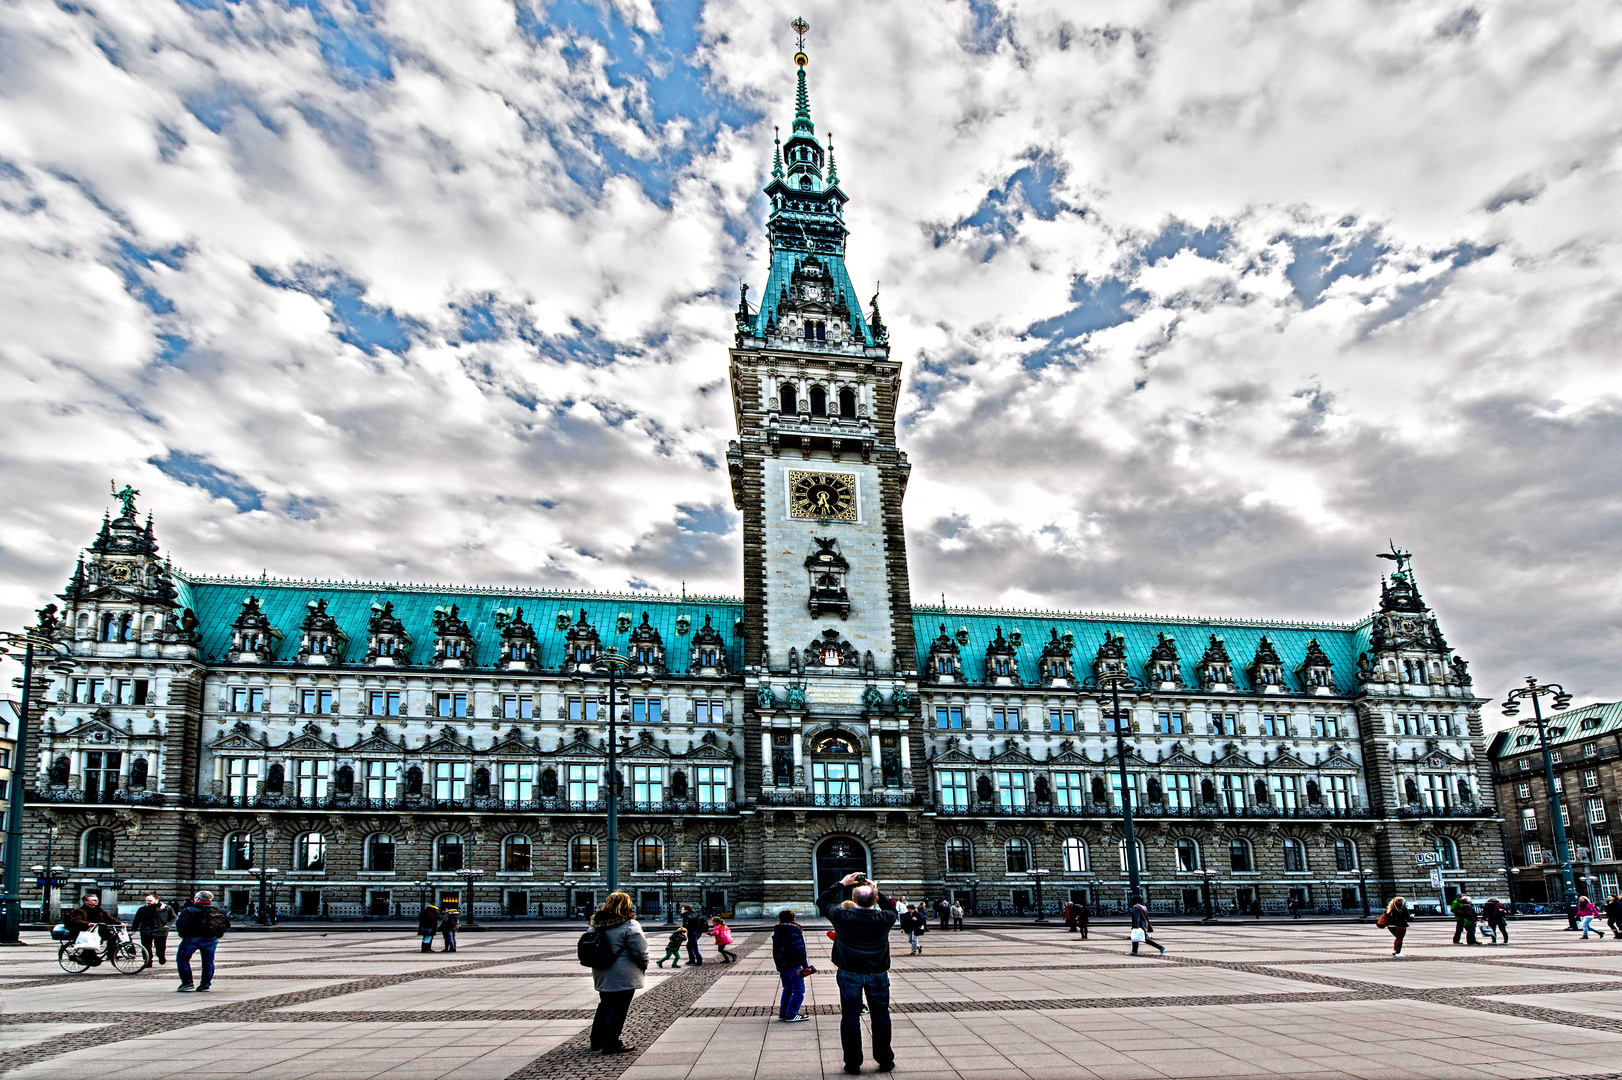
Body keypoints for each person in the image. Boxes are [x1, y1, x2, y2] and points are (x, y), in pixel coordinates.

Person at [818, 872, 899, 1075]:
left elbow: (823, 900)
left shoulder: (842, 916)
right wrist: (876, 888)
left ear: (852, 900)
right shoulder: (885, 918)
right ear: (875, 900)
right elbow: (891, 906)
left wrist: (841, 883)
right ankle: (885, 1059)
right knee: (881, 1017)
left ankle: (853, 1063)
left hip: (849, 974)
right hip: (877, 974)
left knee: (850, 1017)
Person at [588, 891, 648, 1054]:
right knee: (619, 1008)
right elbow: (639, 949)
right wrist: (644, 964)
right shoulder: (629, 924)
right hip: (623, 972)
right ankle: (611, 1043)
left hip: (602, 970)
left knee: (605, 1005)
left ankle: (596, 1041)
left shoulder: (596, 923)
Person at [174, 890, 229, 992]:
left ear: (197, 899)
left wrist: (184, 935)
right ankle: (205, 984)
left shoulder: (189, 910)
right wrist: (217, 935)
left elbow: (180, 925)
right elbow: (227, 924)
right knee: (208, 961)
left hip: (193, 938)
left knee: (182, 959)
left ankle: (187, 983)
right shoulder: (218, 910)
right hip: (211, 938)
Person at [772, 909, 811, 1022]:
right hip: (793, 964)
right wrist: (804, 965)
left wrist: (778, 964)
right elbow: (799, 948)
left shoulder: (777, 930)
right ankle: (791, 1014)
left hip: (782, 965)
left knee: (787, 989)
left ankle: (783, 1013)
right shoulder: (794, 930)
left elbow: (775, 950)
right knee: (799, 989)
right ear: (793, 919)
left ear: (780, 919)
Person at [131, 894, 175, 967]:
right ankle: (147, 961)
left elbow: (173, 918)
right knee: (146, 947)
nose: (148, 902)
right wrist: (133, 930)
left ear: (156, 900)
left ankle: (161, 957)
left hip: (161, 931)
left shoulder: (166, 908)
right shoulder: (142, 909)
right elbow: (137, 920)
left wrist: (167, 925)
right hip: (146, 930)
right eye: (147, 901)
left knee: (160, 947)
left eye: (150, 901)